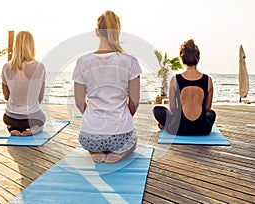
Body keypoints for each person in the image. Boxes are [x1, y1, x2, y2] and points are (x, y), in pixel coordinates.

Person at [72, 10, 142, 163]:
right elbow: (135, 101)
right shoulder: (130, 61)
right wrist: (123, 118)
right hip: (121, 136)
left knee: (94, 141)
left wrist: (92, 117)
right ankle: (119, 153)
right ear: (118, 32)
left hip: (90, 137)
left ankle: (94, 151)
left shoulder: (83, 62)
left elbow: (78, 102)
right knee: (133, 143)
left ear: (97, 32)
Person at [153, 39, 216, 135]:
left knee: (157, 110)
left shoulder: (175, 80)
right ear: (198, 58)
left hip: (179, 129)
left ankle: (165, 126)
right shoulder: (208, 80)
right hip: (202, 129)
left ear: (182, 59)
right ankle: (170, 125)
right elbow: (207, 108)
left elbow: (173, 108)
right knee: (212, 113)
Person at [1, 31, 46, 136]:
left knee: (9, 119)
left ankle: (12, 128)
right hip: (33, 118)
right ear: (31, 46)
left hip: (10, 117)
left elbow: (6, 96)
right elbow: (40, 97)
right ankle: (33, 129)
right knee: (42, 118)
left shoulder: (6, 67)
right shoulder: (39, 67)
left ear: (16, 46)